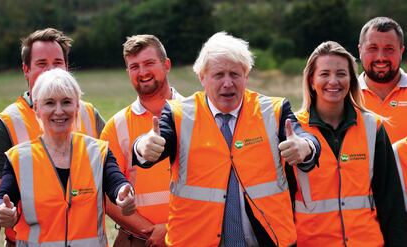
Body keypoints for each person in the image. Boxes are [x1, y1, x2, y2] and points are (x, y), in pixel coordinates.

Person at [134, 32, 320, 246]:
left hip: (267, 239)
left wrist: (305, 147)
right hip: (195, 240)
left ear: (246, 76)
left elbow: (305, 139)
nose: (228, 83)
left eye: (235, 74)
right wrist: (143, 146)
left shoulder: (274, 110)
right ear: (202, 78)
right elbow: (153, 144)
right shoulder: (178, 115)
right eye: (219, 75)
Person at [0, 68, 136, 246]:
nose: (59, 111)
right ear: (37, 108)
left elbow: (116, 183)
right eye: (50, 103)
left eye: (66, 102)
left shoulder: (99, 152)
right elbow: (3, 197)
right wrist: (2, 209)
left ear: (77, 107)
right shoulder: (19, 158)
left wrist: (124, 192)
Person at [0, 28, 105, 246]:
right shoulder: (5, 124)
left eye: (58, 63)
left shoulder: (90, 114)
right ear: (26, 69)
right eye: (42, 64)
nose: (51, 70)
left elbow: (113, 184)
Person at [293, 41, 407, 246]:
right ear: (311, 80)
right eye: (324, 74)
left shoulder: (374, 127)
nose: (333, 81)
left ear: (352, 80)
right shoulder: (293, 131)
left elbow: (391, 202)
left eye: (341, 74)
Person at [100, 34, 183, 247]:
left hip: (191, 236)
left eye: (149, 63)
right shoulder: (116, 126)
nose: (143, 72)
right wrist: (150, 231)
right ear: (128, 72)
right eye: (134, 66)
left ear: (166, 65)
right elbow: (107, 197)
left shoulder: (197, 114)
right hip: (138, 240)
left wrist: (172, 230)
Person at [358, 16, 407, 144]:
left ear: (401, 51)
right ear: (360, 51)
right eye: (372, 48)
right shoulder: (344, 96)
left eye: (389, 49)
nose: (381, 57)